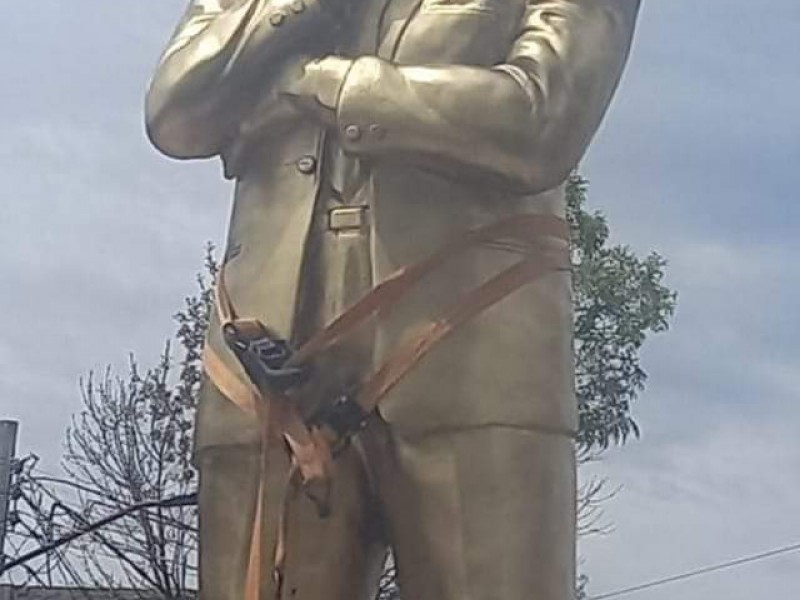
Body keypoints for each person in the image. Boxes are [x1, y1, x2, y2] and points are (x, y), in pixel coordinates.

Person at [145, 1, 642, 598]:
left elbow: (540, 119)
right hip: (269, 365)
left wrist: (317, 83)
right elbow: (174, 114)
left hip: (470, 356)